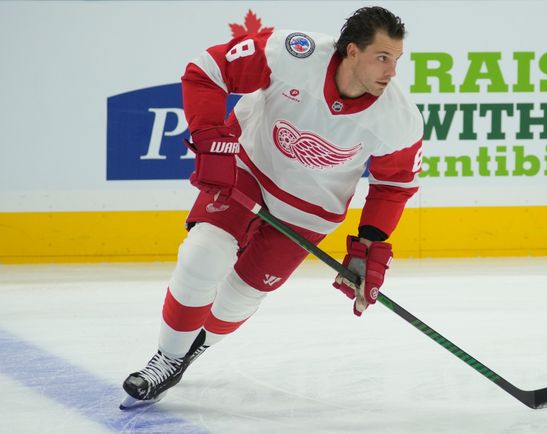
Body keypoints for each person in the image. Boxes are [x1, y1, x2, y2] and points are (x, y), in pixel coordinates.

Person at [120, 6, 423, 409]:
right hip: (249, 168)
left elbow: (393, 186)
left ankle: (192, 351)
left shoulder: (398, 119)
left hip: (310, 210)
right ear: (351, 51)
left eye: (397, 60)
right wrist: (210, 136)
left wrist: (369, 245)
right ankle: (167, 358)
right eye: (383, 58)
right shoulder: (295, 54)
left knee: (241, 296)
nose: (392, 72)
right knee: (203, 255)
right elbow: (206, 71)